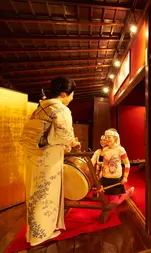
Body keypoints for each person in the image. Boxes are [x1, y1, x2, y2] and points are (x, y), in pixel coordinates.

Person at [21, 76, 80, 246]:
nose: (72, 98)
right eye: (71, 94)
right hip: (48, 158)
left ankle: (34, 233)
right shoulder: (61, 109)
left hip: (33, 157)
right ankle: (42, 234)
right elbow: (63, 135)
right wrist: (71, 142)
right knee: (46, 195)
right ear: (63, 93)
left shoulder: (40, 108)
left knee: (35, 194)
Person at [98, 129, 130, 195]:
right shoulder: (105, 150)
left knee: (114, 196)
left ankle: (125, 194)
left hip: (116, 178)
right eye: (105, 137)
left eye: (109, 137)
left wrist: (125, 177)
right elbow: (103, 163)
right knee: (105, 194)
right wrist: (101, 171)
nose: (106, 139)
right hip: (105, 177)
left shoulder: (120, 149)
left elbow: (127, 164)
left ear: (115, 138)